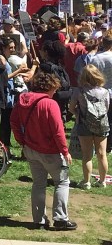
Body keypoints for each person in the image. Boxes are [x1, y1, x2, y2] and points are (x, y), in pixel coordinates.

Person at [10, 71, 76, 231]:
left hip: (31, 149)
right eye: (54, 89)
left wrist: (22, 142)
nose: (55, 92)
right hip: (51, 151)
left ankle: (38, 220)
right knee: (61, 182)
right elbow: (58, 130)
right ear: (49, 87)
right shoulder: (50, 104)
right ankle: (60, 219)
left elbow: (13, 121)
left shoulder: (22, 101)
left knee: (38, 184)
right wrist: (65, 150)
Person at [69, 64, 109, 190]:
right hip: (102, 124)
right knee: (102, 154)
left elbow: (71, 108)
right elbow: (106, 109)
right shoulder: (105, 92)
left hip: (84, 124)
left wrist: (78, 114)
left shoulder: (79, 91)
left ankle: (86, 182)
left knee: (87, 155)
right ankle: (102, 181)